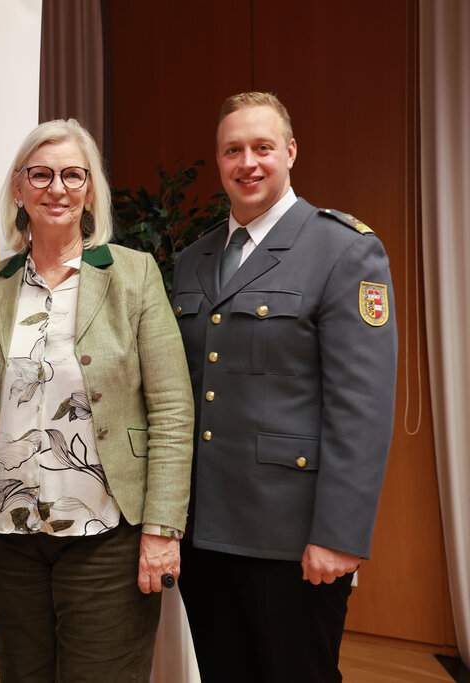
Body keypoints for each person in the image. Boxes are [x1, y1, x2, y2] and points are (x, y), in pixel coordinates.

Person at [0, 119, 194, 682]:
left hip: (109, 535)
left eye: (72, 174)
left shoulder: (133, 275)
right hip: (8, 537)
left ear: (89, 189)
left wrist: (162, 528)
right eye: (41, 174)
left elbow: (173, 412)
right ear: (18, 187)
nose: (56, 188)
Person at [171, 92, 398, 682]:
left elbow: (361, 409)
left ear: (290, 153)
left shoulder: (344, 250)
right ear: (219, 161)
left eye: (262, 147)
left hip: (293, 542)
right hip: (205, 533)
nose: (248, 162)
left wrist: (339, 536)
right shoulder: (192, 260)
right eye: (232, 150)